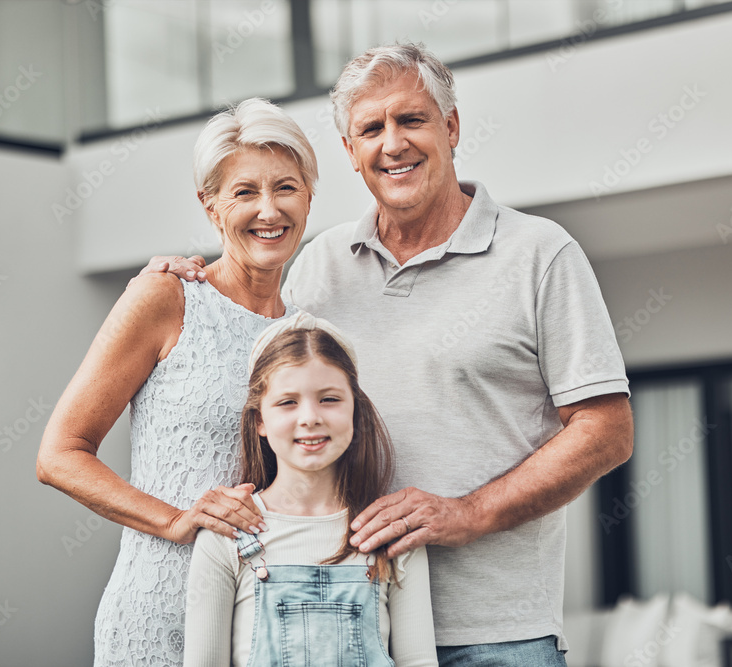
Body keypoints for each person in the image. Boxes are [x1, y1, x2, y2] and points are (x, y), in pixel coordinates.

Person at [143, 43, 634, 666]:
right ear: (350, 152)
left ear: (451, 126)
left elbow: (606, 430)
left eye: (411, 120)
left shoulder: (541, 254)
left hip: (496, 633)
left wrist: (468, 513)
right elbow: (269, 366)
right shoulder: (317, 266)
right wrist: (187, 274)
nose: (392, 143)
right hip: (345, 626)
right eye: (370, 129)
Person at [36, 97, 320, 665]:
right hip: (160, 611)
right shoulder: (166, 296)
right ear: (210, 206)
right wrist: (174, 520)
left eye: (286, 187)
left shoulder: (308, 331)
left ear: (309, 197)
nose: (269, 209)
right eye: (245, 192)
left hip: (266, 623)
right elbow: (60, 454)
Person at [183, 312, 437, 666]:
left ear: (355, 411)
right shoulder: (226, 537)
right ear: (260, 420)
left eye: (329, 399)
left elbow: (419, 661)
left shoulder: (391, 534)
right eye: (288, 402)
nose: (309, 417)